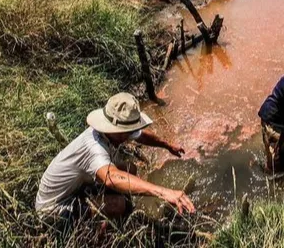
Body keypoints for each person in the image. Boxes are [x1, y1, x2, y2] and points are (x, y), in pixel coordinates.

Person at [35, 92, 196, 220]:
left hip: (76, 188)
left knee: (130, 168)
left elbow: (140, 135)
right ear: (114, 130)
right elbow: (111, 177)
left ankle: (118, 214)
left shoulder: (113, 132)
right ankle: (109, 225)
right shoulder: (94, 147)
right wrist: (163, 192)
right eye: (126, 133)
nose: (130, 136)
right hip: (54, 208)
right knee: (119, 204)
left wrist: (167, 145)